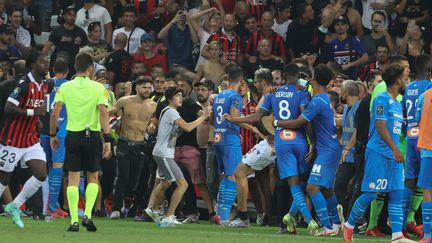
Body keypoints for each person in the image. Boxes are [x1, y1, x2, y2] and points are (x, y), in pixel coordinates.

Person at [342, 64, 414, 243]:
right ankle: (349, 226)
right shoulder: (381, 99)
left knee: (397, 192)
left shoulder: (398, 103)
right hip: (378, 153)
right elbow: (380, 127)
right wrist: (395, 148)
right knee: (371, 194)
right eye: (405, 79)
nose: (406, 83)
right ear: (397, 80)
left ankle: (397, 235)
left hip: (392, 156)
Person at [275, 64, 342, 236]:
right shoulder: (323, 98)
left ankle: (327, 226)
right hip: (329, 148)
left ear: (314, 80)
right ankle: (335, 223)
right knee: (326, 189)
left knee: (312, 188)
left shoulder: (317, 101)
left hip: (327, 150)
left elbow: (299, 122)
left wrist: (277, 123)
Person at [50, 52, 112, 232]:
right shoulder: (99, 88)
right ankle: (88, 216)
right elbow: (103, 113)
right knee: (93, 177)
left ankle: (74, 221)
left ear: (75, 68)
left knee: (73, 179)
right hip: (91, 135)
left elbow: (55, 113)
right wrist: (107, 139)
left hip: (72, 135)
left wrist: (53, 134)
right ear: (91, 68)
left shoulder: (66, 87)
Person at [145, 87, 211, 227]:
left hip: (162, 152)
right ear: (170, 99)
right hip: (164, 153)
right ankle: (169, 216)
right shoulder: (171, 112)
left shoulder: (166, 111)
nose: (181, 98)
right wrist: (203, 116)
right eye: (178, 96)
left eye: (181, 95)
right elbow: (187, 127)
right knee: (183, 185)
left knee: (165, 182)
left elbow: (176, 132)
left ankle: (152, 208)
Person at [0, 50, 50, 229]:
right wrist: (33, 113)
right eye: (43, 62)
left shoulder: (44, 85)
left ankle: (14, 205)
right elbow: (9, 108)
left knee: (41, 174)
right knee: (4, 179)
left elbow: (36, 108)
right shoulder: (23, 84)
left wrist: (37, 122)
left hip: (30, 139)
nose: (46, 65)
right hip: (12, 138)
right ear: (33, 65)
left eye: (47, 62)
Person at [108, 76, 157, 219]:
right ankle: (116, 209)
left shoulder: (153, 105)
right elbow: (109, 112)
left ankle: (131, 206)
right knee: (123, 176)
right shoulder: (124, 101)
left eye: (149, 87)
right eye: (144, 87)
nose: (147, 90)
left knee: (135, 181)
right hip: (124, 143)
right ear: (137, 88)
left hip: (141, 145)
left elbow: (154, 123)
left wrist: (152, 127)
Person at [401, 54, 432, 235]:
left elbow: (406, 113)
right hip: (426, 139)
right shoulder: (429, 87)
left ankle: (401, 225)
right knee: (427, 186)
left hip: (412, 137)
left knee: (410, 181)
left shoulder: (408, 87)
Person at [212, 64, 243, 224]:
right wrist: (250, 126)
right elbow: (234, 117)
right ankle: (224, 217)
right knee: (234, 176)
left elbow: (212, 118)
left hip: (218, 138)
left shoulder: (218, 96)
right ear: (241, 80)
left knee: (225, 176)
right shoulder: (236, 97)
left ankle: (220, 213)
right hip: (230, 139)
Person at [40, 58, 69, 218]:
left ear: (53, 68)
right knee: (57, 167)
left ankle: (45, 205)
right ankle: (52, 206)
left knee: (43, 168)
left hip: (43, 130)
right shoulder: (69, 86)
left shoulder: (45, 84)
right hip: (61, 131)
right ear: (67, 71)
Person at [334, 80, 361, 215]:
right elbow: (343, 123)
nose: (340, 93)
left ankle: (356, 219)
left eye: (341, 90)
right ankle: (343, 216)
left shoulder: (360, 107)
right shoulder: (346, 108)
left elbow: (359, 130)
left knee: (357, 188)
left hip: (357, 153)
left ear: (347, 92)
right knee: (339, 184)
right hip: (347, 155)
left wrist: (347, 148)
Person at [43, 6, 88, 78]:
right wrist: (44, 64)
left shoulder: (80, 32)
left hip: (74, 66)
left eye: (74, 15)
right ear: (64, 16)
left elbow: (86, 48)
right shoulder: (57, 31)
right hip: (59, 65)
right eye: (69, 14)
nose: (72, 17)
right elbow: (46, 48)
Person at [415, 78, 432, 243]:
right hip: (427, 148)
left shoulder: (424, 96)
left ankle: (427, 235)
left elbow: (417, 117)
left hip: (428, 148)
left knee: (428, 191)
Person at [326, 15, 368, 80]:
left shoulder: (354, 41)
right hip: (337, 78)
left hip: (351, 78)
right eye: (337, 25)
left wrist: (350, 64)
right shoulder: (332, 43)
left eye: (342, 24)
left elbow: (365, 57)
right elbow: (330, 62)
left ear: (347, 26)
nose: (340, 27)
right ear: (334, 27)